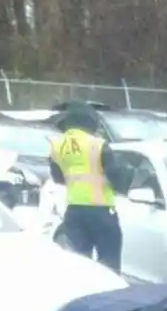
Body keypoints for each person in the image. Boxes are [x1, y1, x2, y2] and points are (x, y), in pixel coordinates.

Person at [49, 103, 124, 271]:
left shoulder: (57, 146)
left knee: (81, 265)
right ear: (90, 122)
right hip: (101, 211)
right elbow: (116, 176)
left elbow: (57, 177)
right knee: (109, 263)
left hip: (74, 211)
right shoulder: (97, 144)